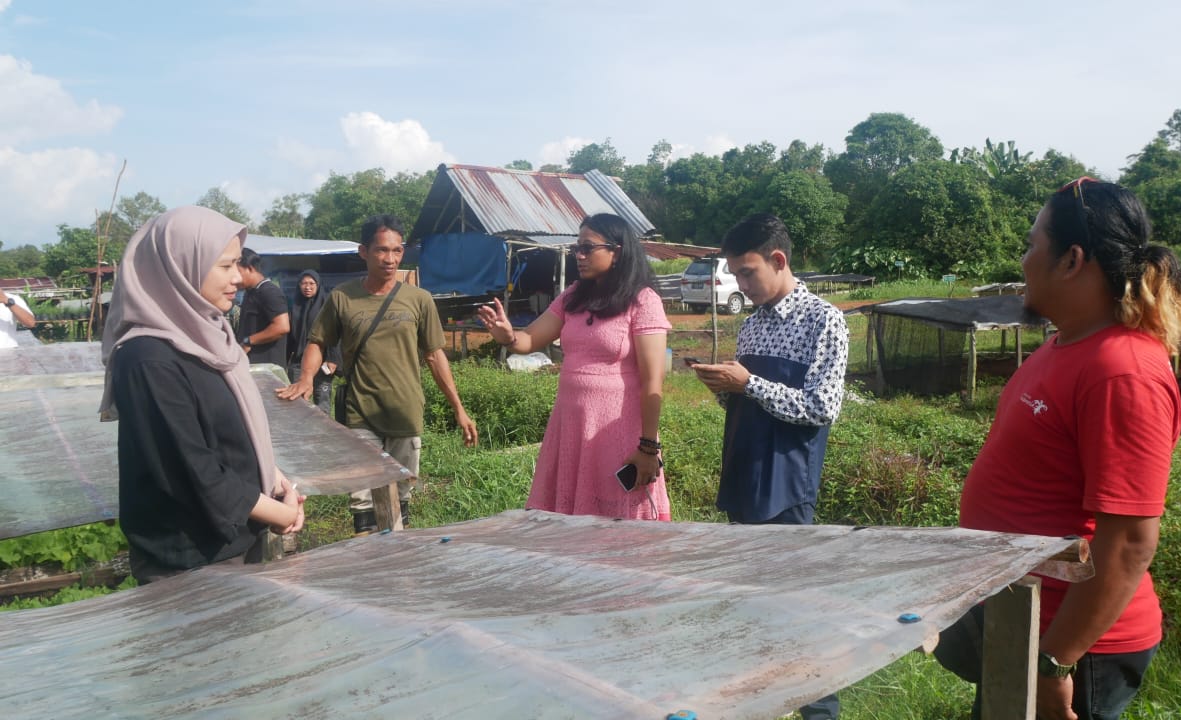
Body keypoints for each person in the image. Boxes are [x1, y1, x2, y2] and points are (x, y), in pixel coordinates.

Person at [932, 179, 1181, 720]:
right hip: (1021, 619)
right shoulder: (1065, 343)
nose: (1024, 260)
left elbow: (1128, 544)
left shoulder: (1122, 371)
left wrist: (1055, 662)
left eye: (1032, 245)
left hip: (1075, 644)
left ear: (1072, 260)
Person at [690, 212, 848, 720]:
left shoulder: (824, 320)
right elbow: (753, 403)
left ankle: (819, 712)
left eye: (747, 272)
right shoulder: (753, 325)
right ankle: (761, 702)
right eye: (734, 274)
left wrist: (748, 385)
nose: (740, 284)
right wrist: (726, 389)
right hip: (744, 475)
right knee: (751, 607)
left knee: (794, 610)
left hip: (786, 486)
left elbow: (822, 407)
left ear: (778, 261)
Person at [99, 206, 305, 584]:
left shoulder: (210, 335)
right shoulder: (148, 359)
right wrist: (283, 515)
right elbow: (194, 470)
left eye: (237, 265)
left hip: (240, 535)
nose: (238, 279)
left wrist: (278, 482)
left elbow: (236, 433)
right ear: (180, 267)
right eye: (224, 266)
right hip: (191, 559)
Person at [277, 214, 478, 534]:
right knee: (364, 500)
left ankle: (399, 571)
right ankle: (367, 562)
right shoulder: (343, 298)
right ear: (364, 252)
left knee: (401, 492)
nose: (390, 259)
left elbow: (434, 355)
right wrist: (306, 378)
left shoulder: (419, 300)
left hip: (405, 410)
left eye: (397, 251)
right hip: (360, 411)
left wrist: (459, 408)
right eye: (382, 250)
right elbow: (318, 341)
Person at [478, 213, 672, 520]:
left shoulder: (643, 301)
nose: (578, 256)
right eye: (576, 249)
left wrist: (648, 447)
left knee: (619, 525)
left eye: (587, 248)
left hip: (617, 430)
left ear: (617, 251)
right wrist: (508, 336)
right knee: (569, 521)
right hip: (571, 428)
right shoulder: (573, 297)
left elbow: (653, 382)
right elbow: (529, 339)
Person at [286, 270, 340, 415]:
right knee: (298, 400)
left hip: (323, 362)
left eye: (311, 283)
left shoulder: (327, 305)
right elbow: (290, 336)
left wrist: (332, 358)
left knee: (322, 400)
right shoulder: (295, 306)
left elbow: (334, 332)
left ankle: (324, 433)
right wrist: (286, 360)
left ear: (318, 285)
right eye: (303, 283)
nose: (307, 287)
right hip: (299, 361)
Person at [236, 247, 290, 368]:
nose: (234, 278)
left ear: (250, 268)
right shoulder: (250, 292)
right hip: (251, 366)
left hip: (267, 369)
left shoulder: (269, 292)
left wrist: (248, 341)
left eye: (237, 272)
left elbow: (282, 327)